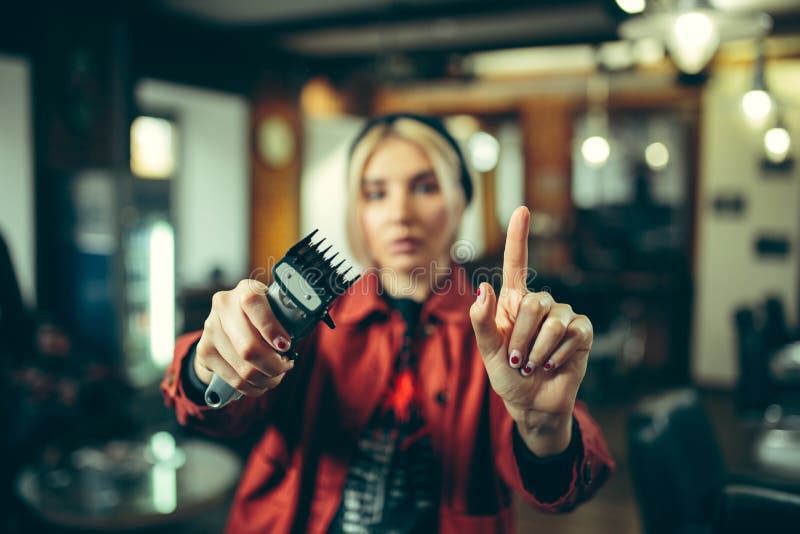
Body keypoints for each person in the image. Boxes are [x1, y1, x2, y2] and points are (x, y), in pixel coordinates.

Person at [162, 113, 615, 533]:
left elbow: (569, 485)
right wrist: (209, 364)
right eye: (376, 193)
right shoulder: (311, 323)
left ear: (461, 201)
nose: (400, 213)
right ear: (357, 212)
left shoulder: (497, 331)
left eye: (424, 186)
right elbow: (215, 418)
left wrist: (545, 429)